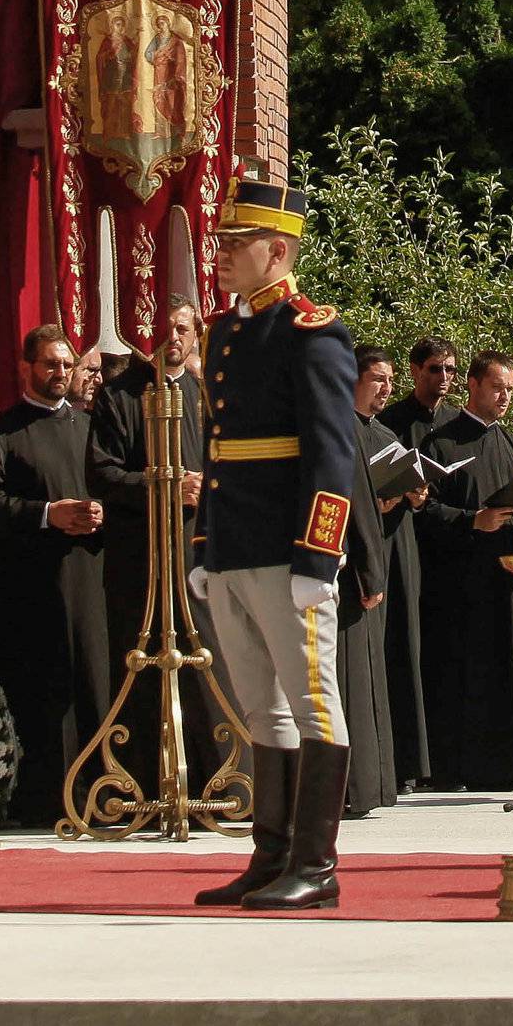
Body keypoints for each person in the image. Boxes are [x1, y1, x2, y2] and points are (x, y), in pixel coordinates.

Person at [187, 177, 359, 913]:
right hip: (233, 548)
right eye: (221, 241)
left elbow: (331, 455)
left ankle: (316, 863)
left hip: (288, 556)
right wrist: (203, 544)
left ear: (278, 250)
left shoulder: (312, 332)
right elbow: (218, 450)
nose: (220, 254)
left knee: (314, 704)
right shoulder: (227, 333)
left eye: (235, 244)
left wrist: (318, 558)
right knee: (263, 709)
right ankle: (271, 853)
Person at [86, 297, 223, 796]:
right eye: (167, 329)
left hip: (197, 553)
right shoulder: (118, 396)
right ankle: (138, 787)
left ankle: (215, 781)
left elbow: (229, 467)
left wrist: (202, 486)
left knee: (206, 662)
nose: (175, 338)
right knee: (138, 667)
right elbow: (101, 472)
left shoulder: (207, 397)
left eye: (184, 329)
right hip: (138, 557)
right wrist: (160, 484)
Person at [0, 326, 109, 826]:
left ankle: (99, 794)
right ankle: (45, 800)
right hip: (30, 586)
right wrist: (48, 514)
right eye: (50, 364)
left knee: (94, 681)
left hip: (92, 577)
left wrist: (103, 511)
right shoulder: (5, 432)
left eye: (67, 364)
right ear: (27, 368)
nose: (60, 373)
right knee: (42, 692)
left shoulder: (92, 429)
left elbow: (115, 485)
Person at [415, 351, 513, 790]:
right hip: (456, 583)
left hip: (506, 578)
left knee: (505, 673)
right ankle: (455, 768)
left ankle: (504, 767)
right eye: (497, 387)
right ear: (473, 385)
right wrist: (470, 520)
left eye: (511, 390)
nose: (505, 397)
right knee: (460, 675)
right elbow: (421, 511)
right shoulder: (441, 443)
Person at [356, 345, 430, 793]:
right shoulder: (340, 431)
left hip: (397, 552)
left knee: (399, 651)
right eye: (377, 379)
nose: (385, 388)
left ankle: (396, 764)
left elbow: (404, 487)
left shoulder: (386, 435)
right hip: (365, 554)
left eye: (389, 381)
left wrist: (414, 494)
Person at [340, 352, 395, 818]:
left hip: (347, 569)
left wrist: (369, 571)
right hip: (330, 569)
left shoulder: (348, 429)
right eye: (376, 379)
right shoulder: (337, 423)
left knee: (359, 677)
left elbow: (358, 505)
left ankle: (363, 785)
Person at [381, 337, 458, 445]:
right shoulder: (388, 421)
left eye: (450, 369)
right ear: (415, 370)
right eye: (435, 369)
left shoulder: (458, 422)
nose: (444, 377)